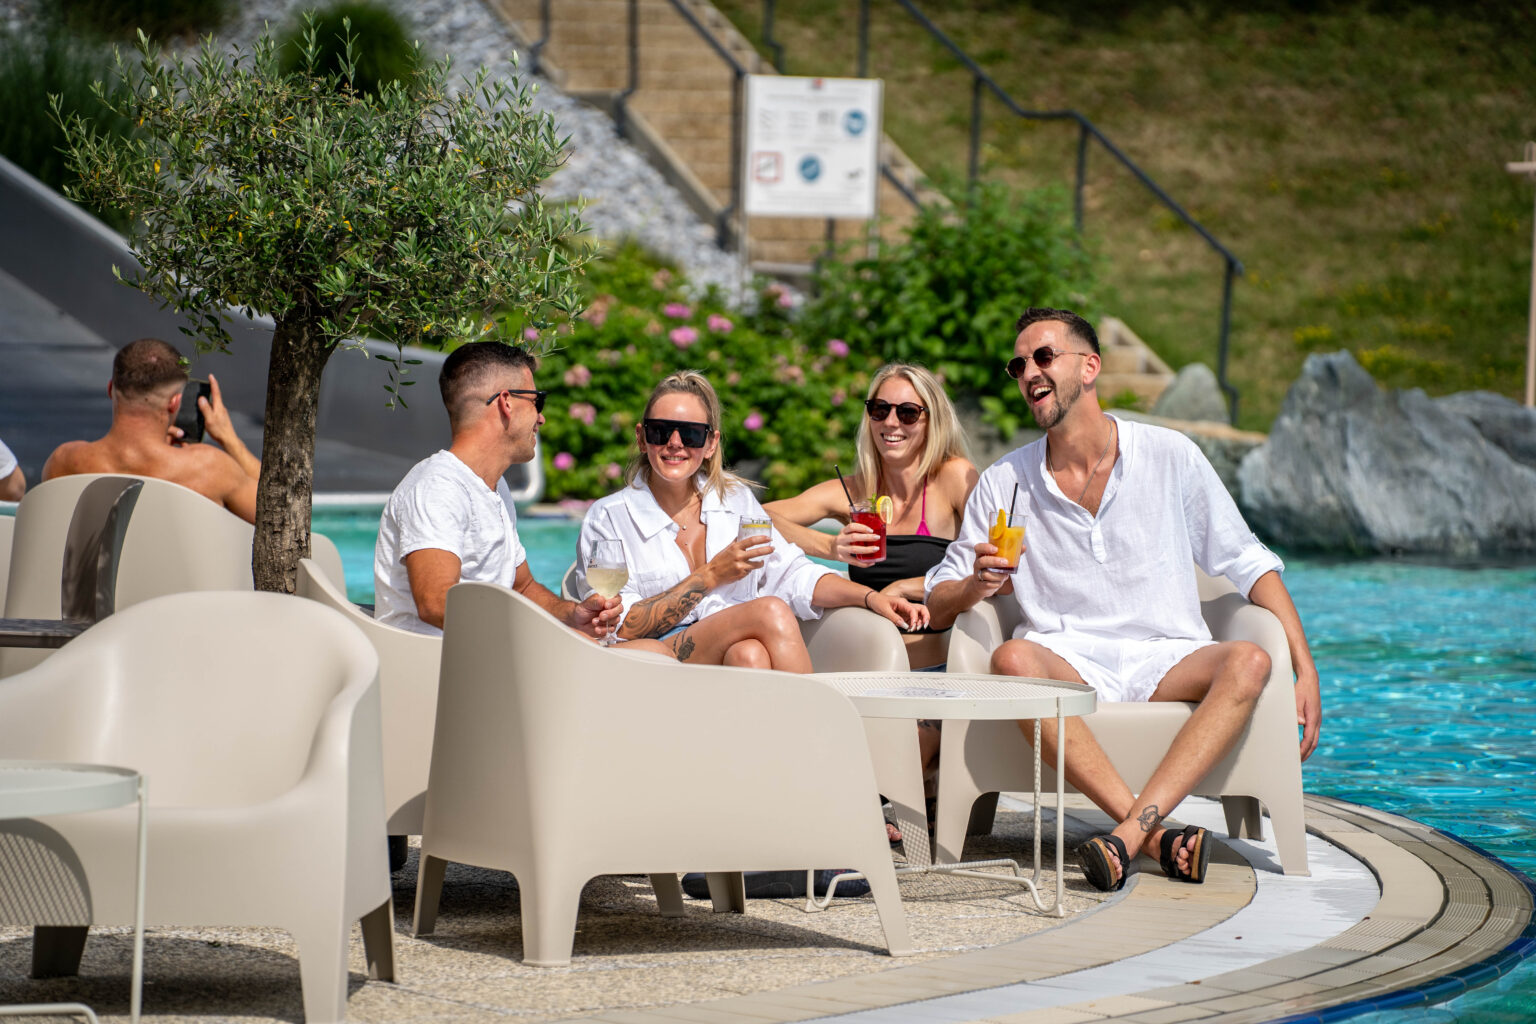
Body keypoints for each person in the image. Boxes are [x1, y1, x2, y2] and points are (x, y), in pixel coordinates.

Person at [925, 307, 1322, 892]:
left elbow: (1248, 561)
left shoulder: (1171, 455)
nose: (1028, 373)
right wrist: (975, 586)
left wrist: (1304, 668)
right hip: (1068, 660)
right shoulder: (1005, 481)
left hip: (1166, 656)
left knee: (1251, 661)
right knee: (1011, 659)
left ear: (1090, 367)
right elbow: (938, 600)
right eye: (1018, 365)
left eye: (1043, 356)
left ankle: (1130, 836)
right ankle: (1152, 838)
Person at [576, 370, 928, 670]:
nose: (675, 443)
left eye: (691, 433)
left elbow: (791, 572)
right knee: (769, 611)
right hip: (650, 659)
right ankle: (821, 724)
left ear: (710, 443)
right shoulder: (609, 517)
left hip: (722, 649)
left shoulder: (733, 501)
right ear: (641, 438)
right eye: (660, 431)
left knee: (749, 655)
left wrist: (870, 597)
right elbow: (616, 625)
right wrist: (710, 575)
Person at [374, 341, 636, 643]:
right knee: (646, 656)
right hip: (438, 665)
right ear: (506, 403)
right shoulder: (438, 487)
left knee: (646, 653)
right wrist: (536, 636)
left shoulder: (495, 488)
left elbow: (522, 587)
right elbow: (436, 603)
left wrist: (571, 615)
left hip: (483, 657)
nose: (541, 417)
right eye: (537, 401)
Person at [765, 363, 978, 671]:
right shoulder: (854, 491)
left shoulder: (953, 477)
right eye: (880, 409)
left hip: (936, 670)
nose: (891, 422)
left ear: (932, 421)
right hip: (862, 669)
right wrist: (829, 547)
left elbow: (988, 566)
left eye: (907, 412)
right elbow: (756, 517)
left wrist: (905, 587)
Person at [40, 338, 260, 522]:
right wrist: (230, 440)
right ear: (175, 402)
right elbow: (276, 510)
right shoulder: (210, 469)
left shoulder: (64, 462)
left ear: (110, 389)